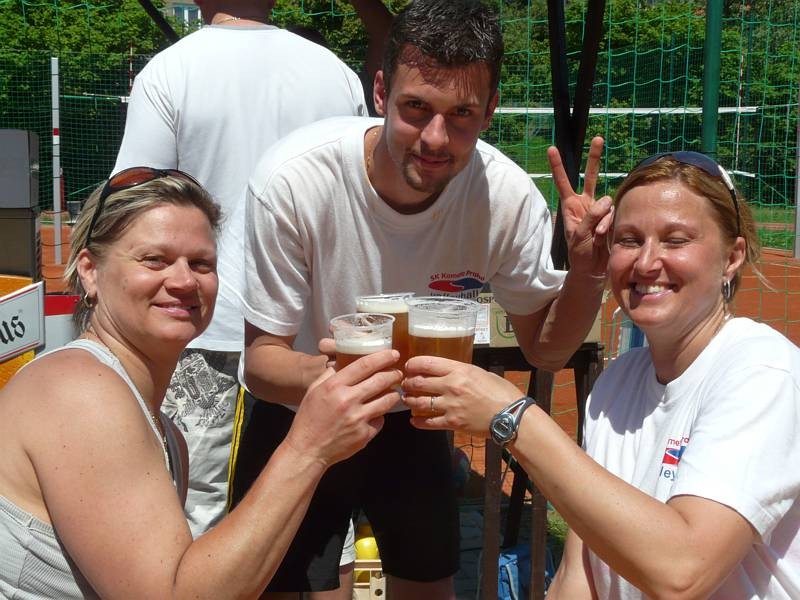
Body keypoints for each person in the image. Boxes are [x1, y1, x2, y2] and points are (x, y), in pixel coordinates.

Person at [229, 1, 613, 598]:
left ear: (490, 110)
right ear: (380, 91)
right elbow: (261, 363)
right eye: (416, 108)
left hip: (416, 420)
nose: (436, 138)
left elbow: (545, 351)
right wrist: (342, 381)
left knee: (430, 584)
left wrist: (587, 275)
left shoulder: (506, 197)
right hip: (302, 408)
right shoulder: (295, 181)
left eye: (461, 114)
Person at [402, 149, 800, 599]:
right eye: (629, 240)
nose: (646, 263)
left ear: (732, 257)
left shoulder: (762, 371)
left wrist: (513, 417)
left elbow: (684, 573)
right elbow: (581, 576)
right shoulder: (617, 383)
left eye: (675, 240)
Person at [0, 168, 400, 599]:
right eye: (154, 259)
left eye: (201, 264)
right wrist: (308, 448)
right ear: (90, 271)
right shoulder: (80, 391)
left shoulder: (167, 434)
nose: (184, 281)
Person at [112, 0, 384, 541]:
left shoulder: (172, 70)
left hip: (205, 328)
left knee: (198, 514)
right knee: (313, 520)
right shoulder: (334, 71)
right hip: (307, 337)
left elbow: (135, 200)